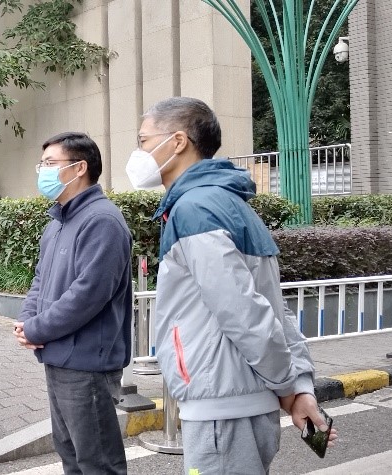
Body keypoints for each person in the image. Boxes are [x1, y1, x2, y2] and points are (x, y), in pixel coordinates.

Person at [129, 97, 337, 473]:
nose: (139, 151)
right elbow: (275, 309)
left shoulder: (195, 209)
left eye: (144, 140)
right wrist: (298, 386)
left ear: (178, 141)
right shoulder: (231, 203)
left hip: (221, 411)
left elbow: (244, 312)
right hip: (239, 403)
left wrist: (289, 388)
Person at [14, 132, 132, 474]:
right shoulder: (58, 222)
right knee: (71, 455)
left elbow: (87, 295)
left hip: (88, 364)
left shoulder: (102, 221)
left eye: (51, 164)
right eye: (42, 164)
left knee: (97, 462)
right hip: (58, 355)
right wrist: (27, 321)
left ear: (79, 168)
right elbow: (40, 279)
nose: (43, 172)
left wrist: (37, 329)